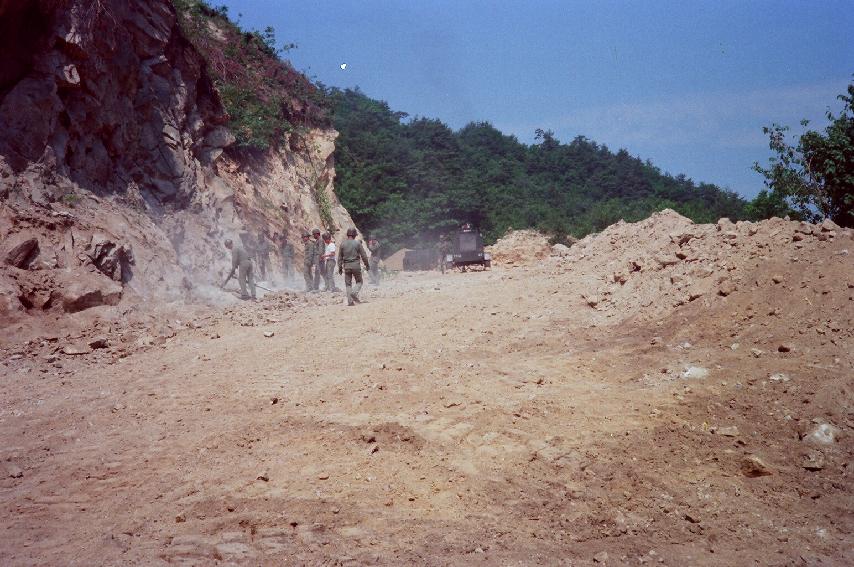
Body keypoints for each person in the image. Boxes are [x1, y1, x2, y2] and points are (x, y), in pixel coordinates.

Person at [337, 227, 370, 306]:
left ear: (348, 234)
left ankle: (350, 301)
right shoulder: (357, 243)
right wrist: (367, 265)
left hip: (347, 266)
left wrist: (340, 268)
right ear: (354, 235)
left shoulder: (342, 244)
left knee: (348, 284)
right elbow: (364, 256)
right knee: (359, 282)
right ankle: (354, 293)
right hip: (355, 265)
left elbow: (340, 257)